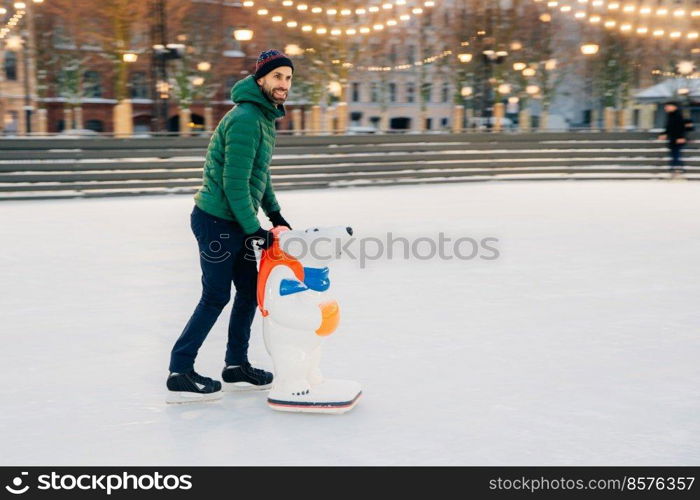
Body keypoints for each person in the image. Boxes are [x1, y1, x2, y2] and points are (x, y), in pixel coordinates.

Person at [166, 49, 295, 402]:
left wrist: (275, 215)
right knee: (216, 295)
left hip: (236, 219)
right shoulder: (246, 118)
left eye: (288, 77)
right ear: (260, 80)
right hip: (217, 221)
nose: (284, 83)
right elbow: (234, 182)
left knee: (250, 291)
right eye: (277, 76)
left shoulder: (264, 118)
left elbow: (259, 174)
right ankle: (180, 370)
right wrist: (254, 228)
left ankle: (236, 364)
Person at [658, 101, 687, 173]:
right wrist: (664, 133)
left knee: (675, 154)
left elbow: (681, 127)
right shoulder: (670, 115)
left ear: (674, 107)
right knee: (674, 154)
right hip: (673, 138)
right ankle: (675, 168)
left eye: (668, 107)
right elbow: (668, 127)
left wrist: (681, 137)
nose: (666, 108)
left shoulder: (678, 115)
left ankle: (677, 168)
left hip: (677, 138)